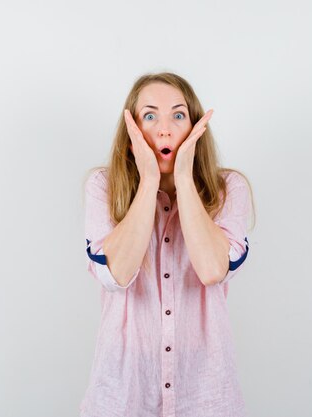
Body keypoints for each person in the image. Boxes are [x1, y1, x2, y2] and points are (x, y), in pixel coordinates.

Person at [80, 72, 256, 417]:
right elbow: (115, 274)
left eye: (178, 115)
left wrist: (185, 179)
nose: (165, 129)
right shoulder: (102, 187)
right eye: (150, 116)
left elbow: (211, 270)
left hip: (206, 397)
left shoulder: (229, 189)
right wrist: (148, 181)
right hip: (123, 396)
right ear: (132, 130)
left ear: (194, 128)